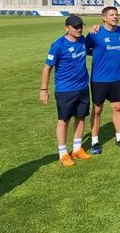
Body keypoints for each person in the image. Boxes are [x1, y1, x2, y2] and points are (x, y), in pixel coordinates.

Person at [39, 15, 92, 167]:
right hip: (65, 90)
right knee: (64, 121)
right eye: (75, 27)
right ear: (66, 28)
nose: (79, 29)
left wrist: (96, 27)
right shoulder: (58, 45)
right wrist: (43, 90)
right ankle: (63, 153)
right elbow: (47, 67)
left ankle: (76, 149)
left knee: (81, 117)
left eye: (81, 26)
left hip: (83, 87)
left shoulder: (82, 40)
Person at [86, 6, 120, 153]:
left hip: (117, 78)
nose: (115, 17)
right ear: (104, 18)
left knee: (117, 108)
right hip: (99, 79)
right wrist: (99, 54)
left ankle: (119, 138)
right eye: (112, 15)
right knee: (97, 110)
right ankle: (94, 141)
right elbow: (85, 49)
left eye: (116, 14)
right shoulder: (95, 33)